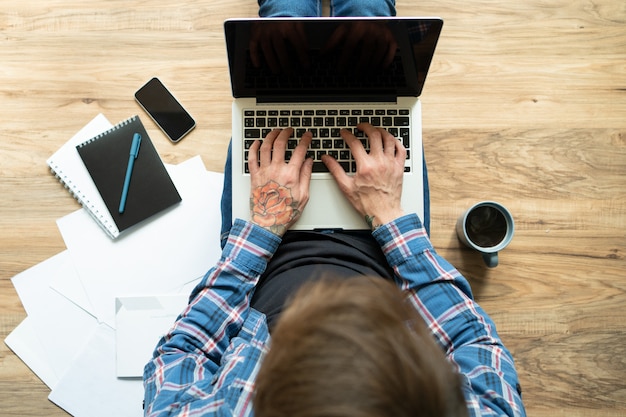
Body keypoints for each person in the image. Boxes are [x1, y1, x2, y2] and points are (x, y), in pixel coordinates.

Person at [143, 1, 526, 416]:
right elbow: (471, 344)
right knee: (372, 35)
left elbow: (181, 354)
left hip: (265, 256)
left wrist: (263, 226)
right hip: (388, 248)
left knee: (279, 45)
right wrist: (388, 216)